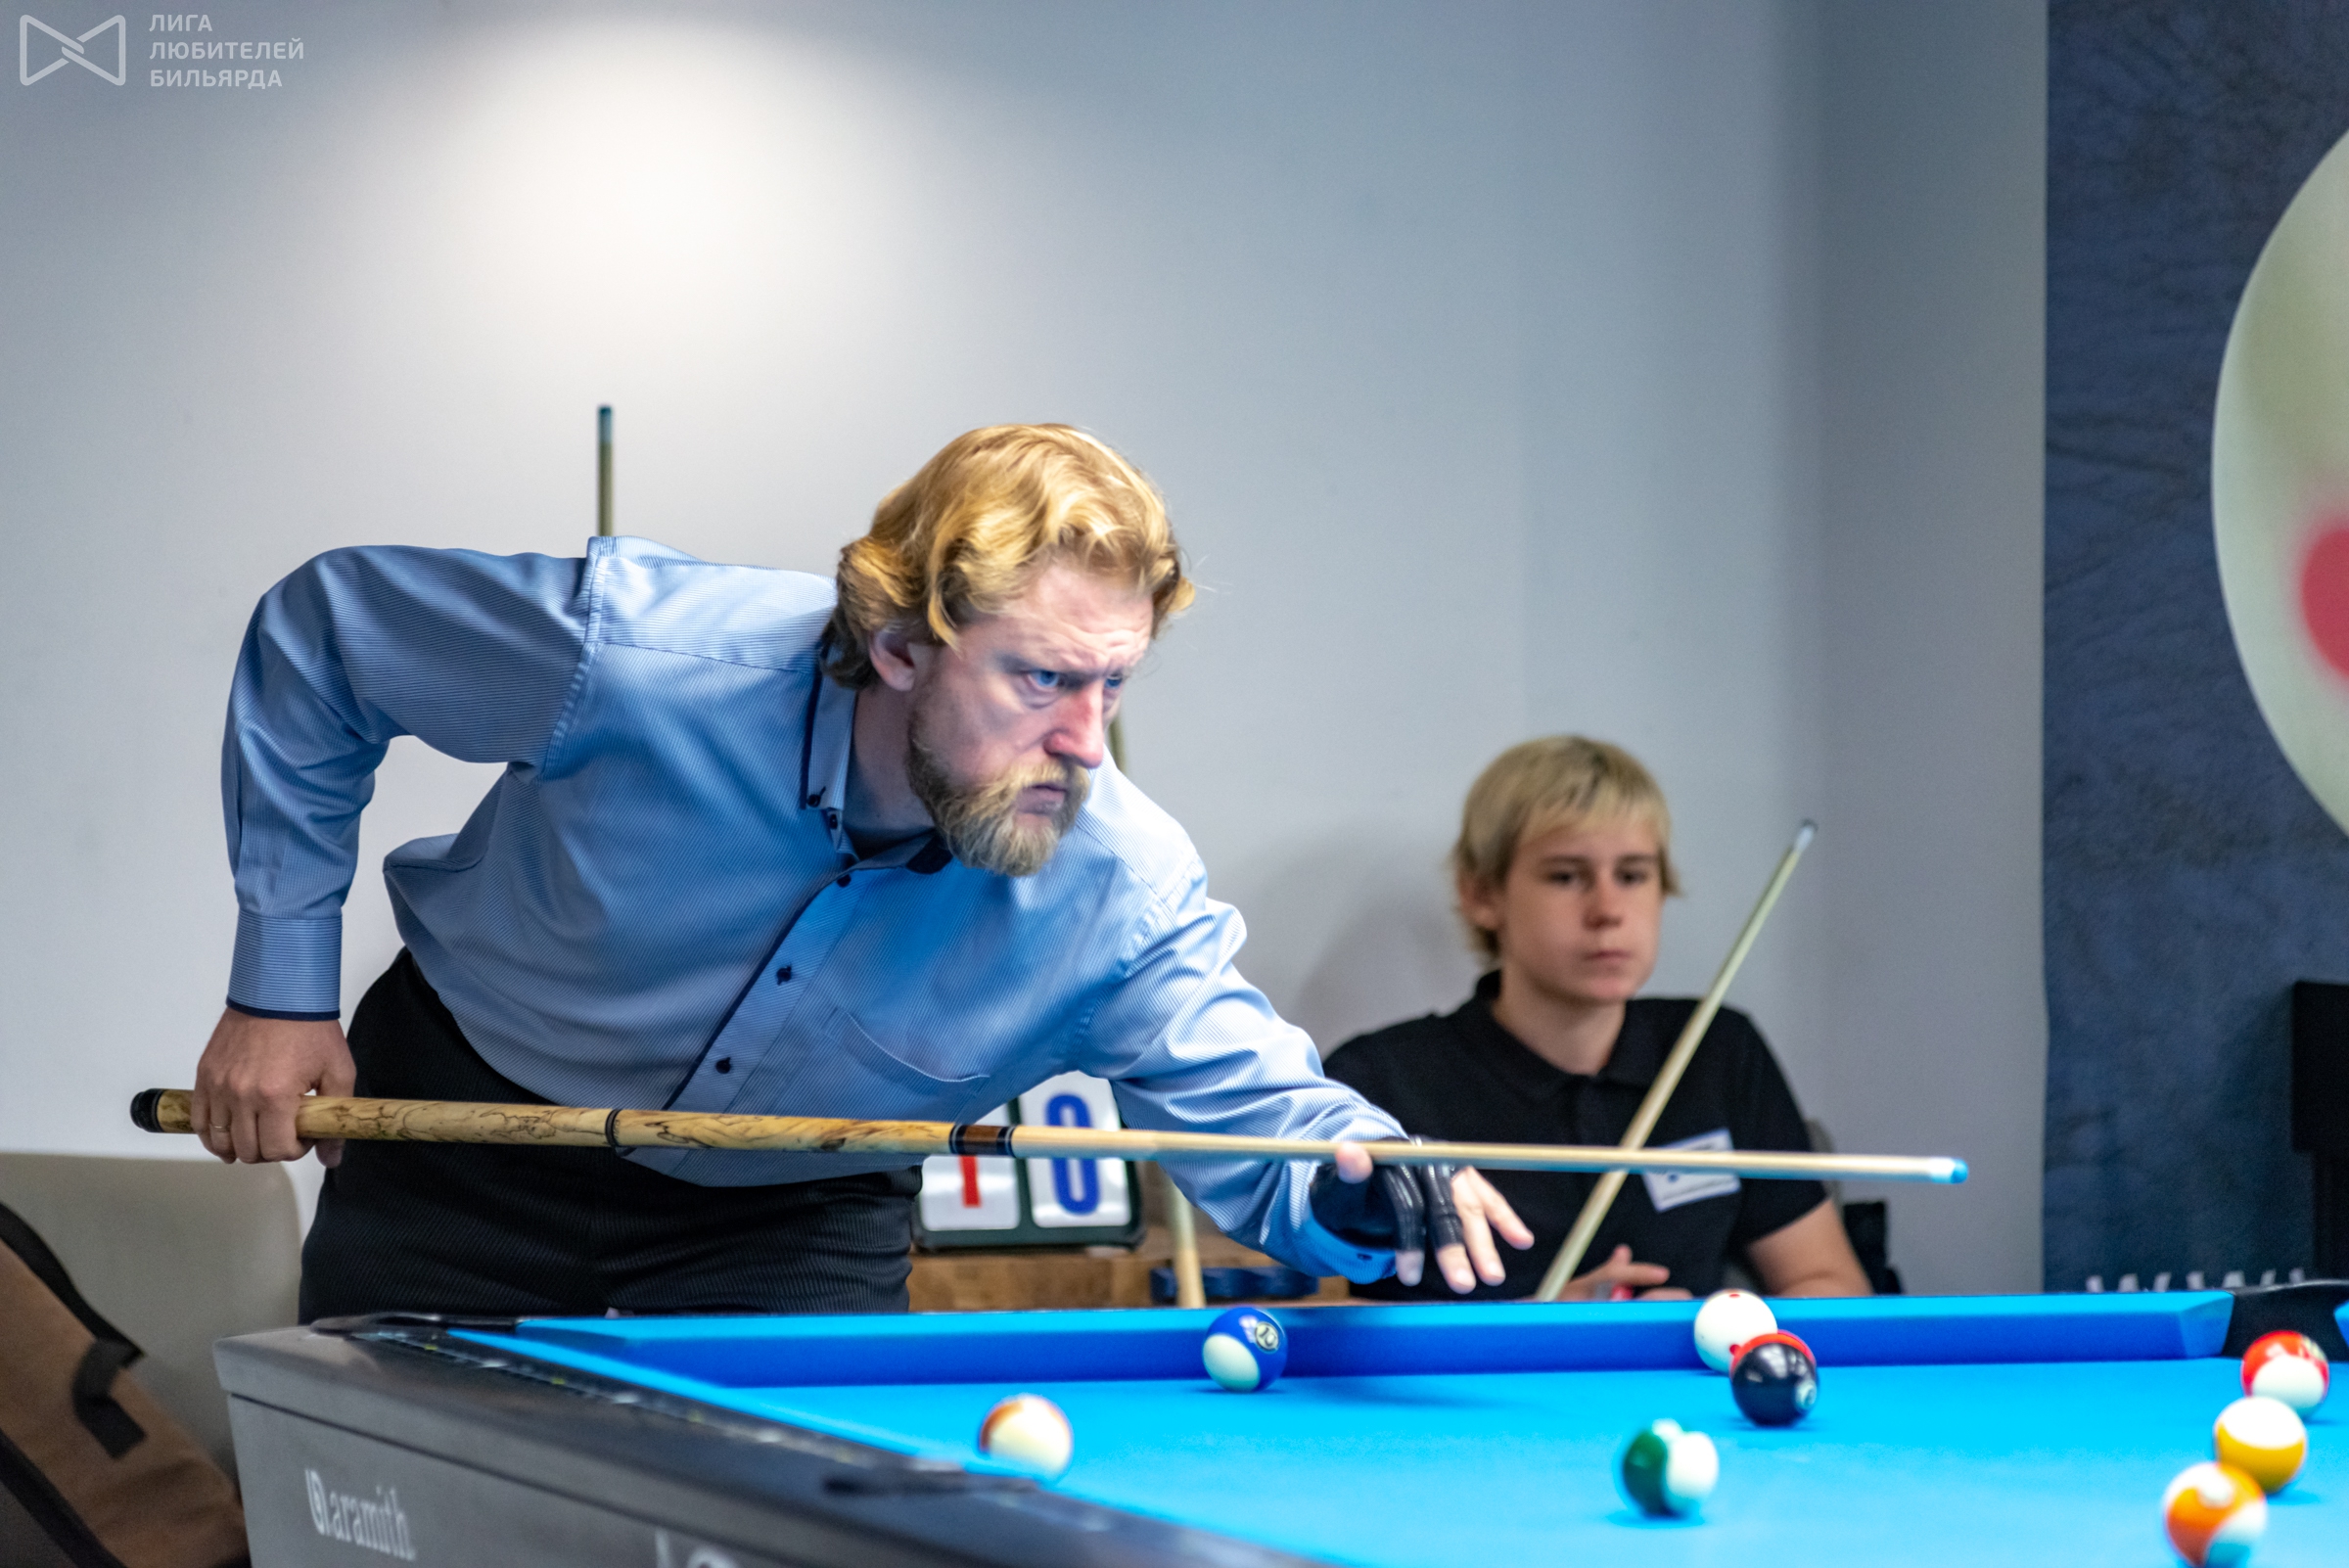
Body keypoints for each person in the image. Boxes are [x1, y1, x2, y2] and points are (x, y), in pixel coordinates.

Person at [192, 424, 1533, 1318]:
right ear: (898, 645)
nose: (1087, 740)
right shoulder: (648, 660)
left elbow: (1265, 1117)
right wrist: (278, 991)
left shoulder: (1113, 883)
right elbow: (328, 637)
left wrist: (1361, 1181)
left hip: (791, 1208)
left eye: (1114, 683)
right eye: (1041, 679)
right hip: (466, 1133)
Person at [1326, 736, 1869, 1303]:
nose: (1608, 911)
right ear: (1482, 894)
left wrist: (1710, 1327)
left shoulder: (1717, 1050)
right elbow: (1311, 1319)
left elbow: (1829, 1284)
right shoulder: (1376, 1085)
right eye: (1566, 876)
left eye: (1632, 876)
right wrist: (1551, 1331)